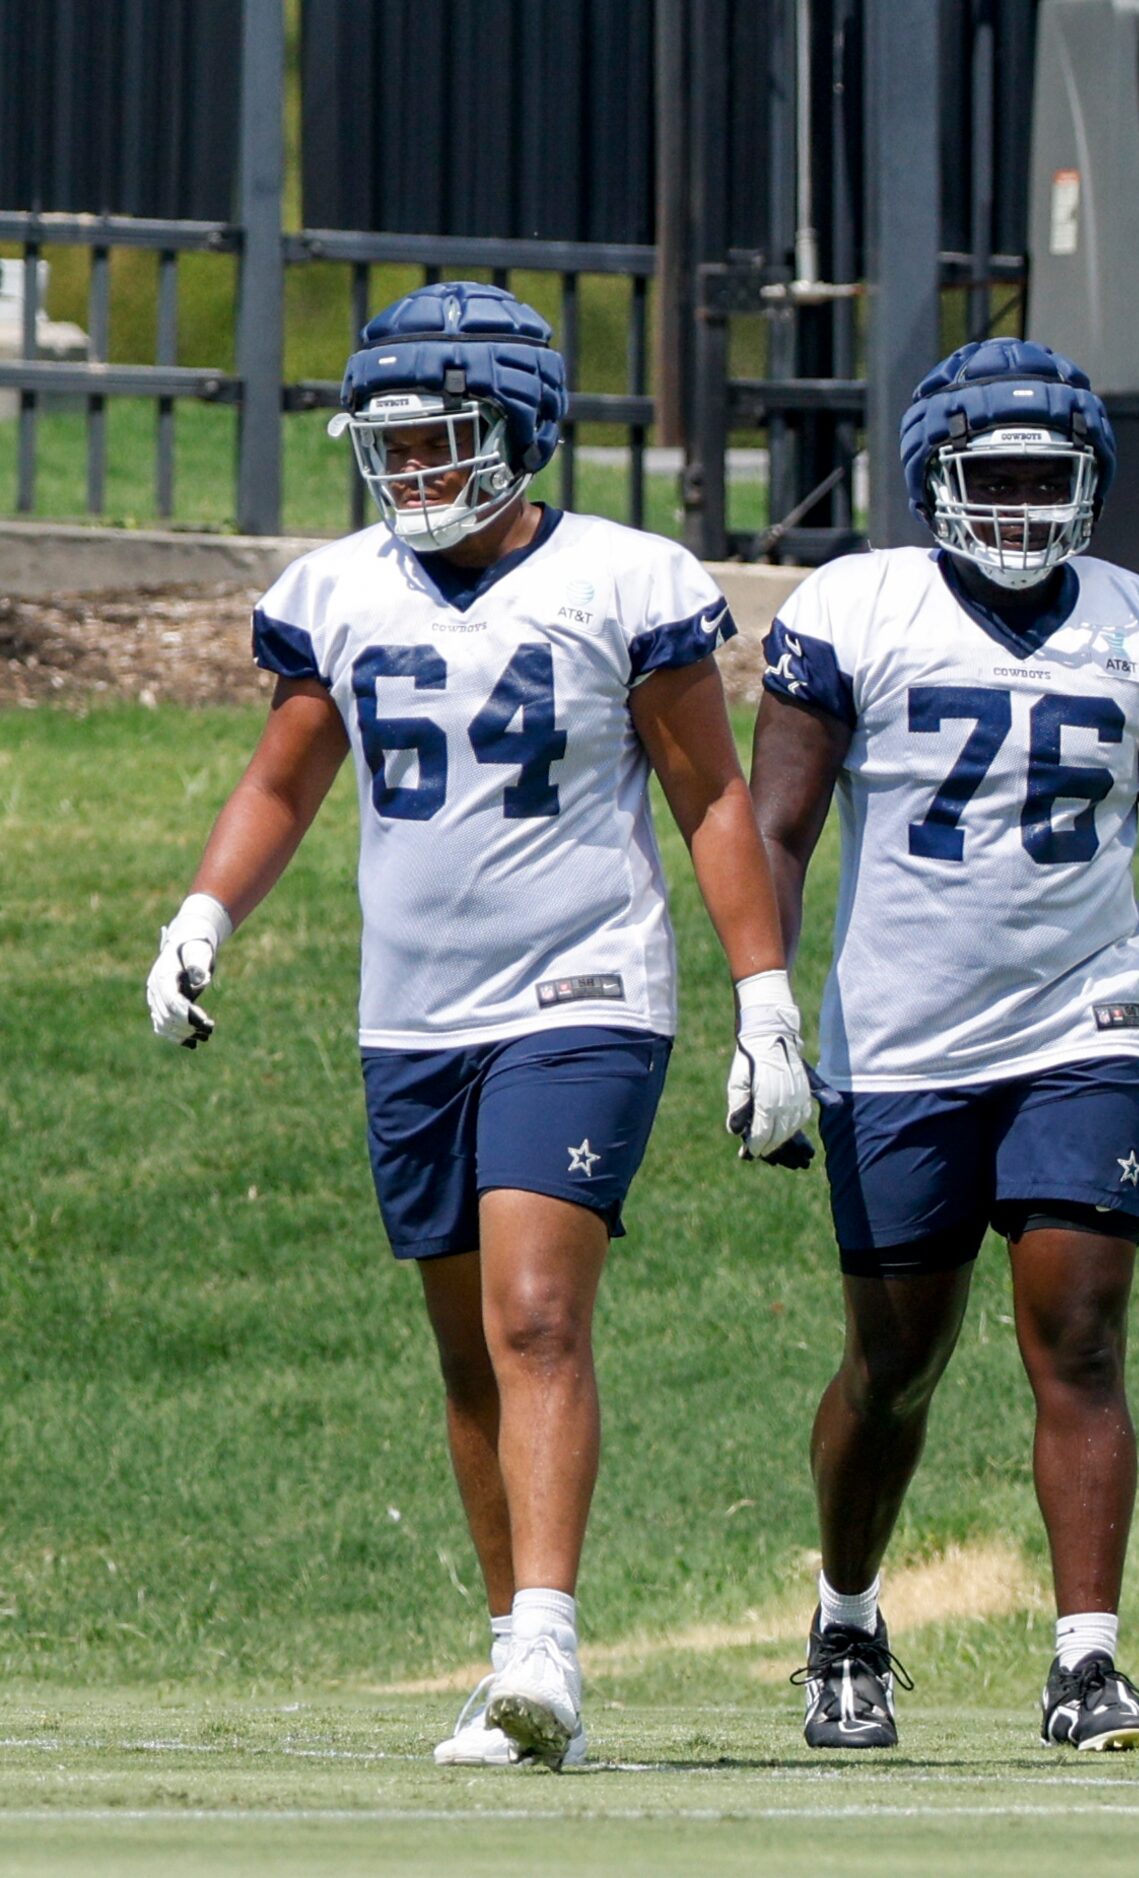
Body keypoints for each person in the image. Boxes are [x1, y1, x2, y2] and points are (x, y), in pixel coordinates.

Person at [143, 283, 815, 1770]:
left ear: (521, 433)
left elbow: (710, 794)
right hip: (412, 1015)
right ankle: (510, 1648)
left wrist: (764, 999)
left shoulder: (626, 579)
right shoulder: (342, 590)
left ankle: (548, 1645)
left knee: (535, 1311)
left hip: (582, 992)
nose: (416, 476)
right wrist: (204, 914)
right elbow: (283, 782)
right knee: (467, 1352)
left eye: (445, 443)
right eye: (394, 447)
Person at [749, 338, 1139, 1754]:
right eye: (987, 477)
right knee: (896, 1363)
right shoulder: (855, 609)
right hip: (895, 1040)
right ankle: (846, 1615)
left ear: (1090, 487)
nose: (1013, 505)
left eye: (1040, 479)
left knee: (1082, 1337)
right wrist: (761, 1011)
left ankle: (1086, 1659)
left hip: (1084, 1022)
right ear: (932, 479)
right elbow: (774, 828)